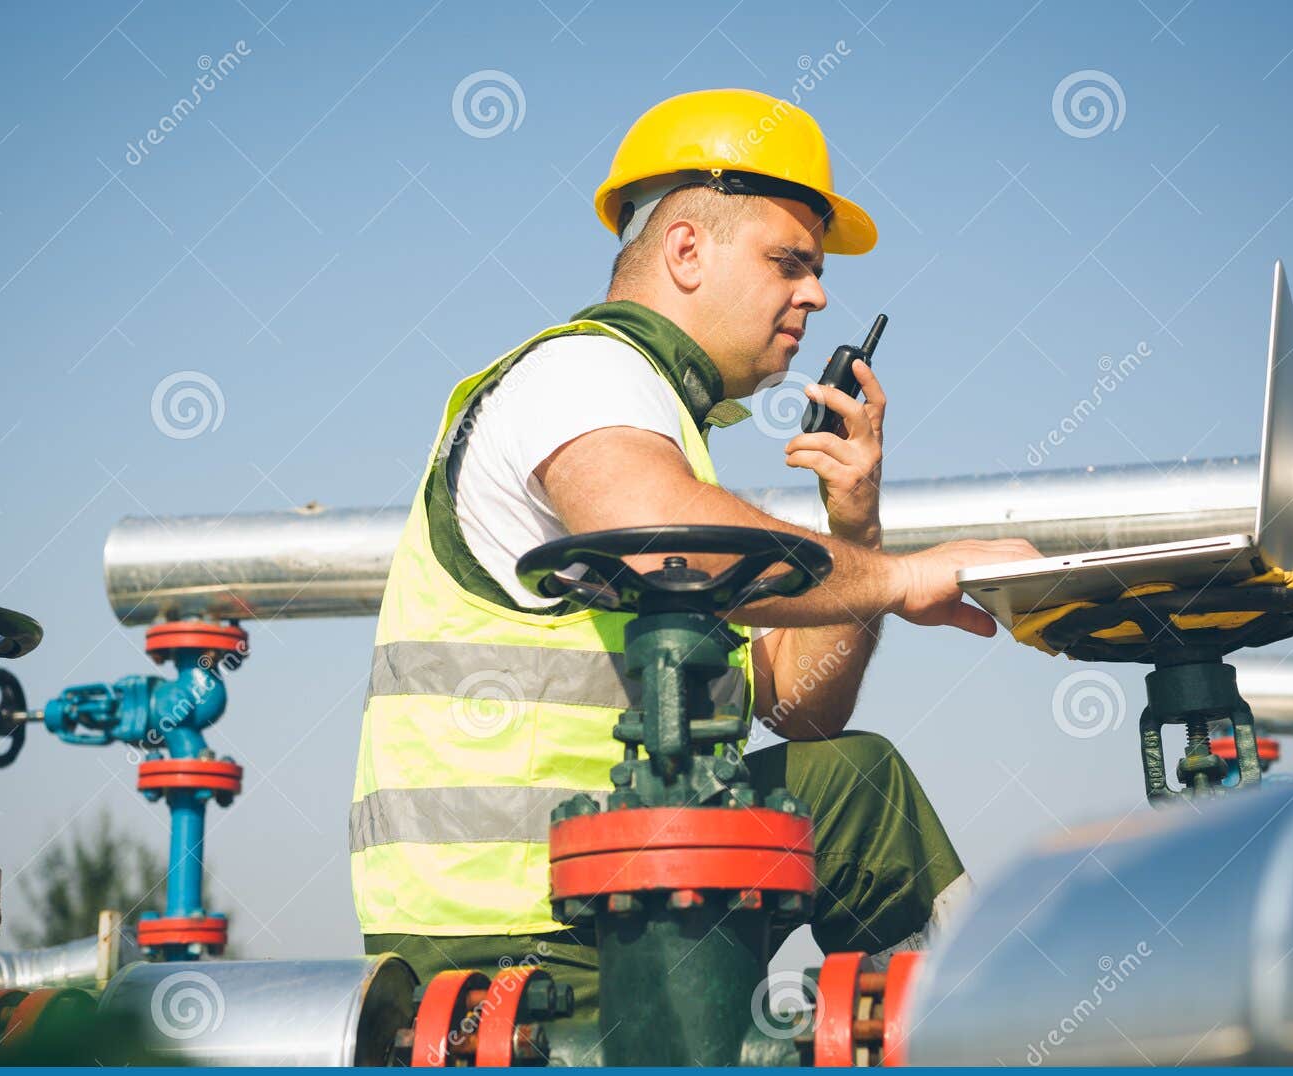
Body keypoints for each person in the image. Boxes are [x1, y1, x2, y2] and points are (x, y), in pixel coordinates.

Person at [352, 89, 1040, 1011]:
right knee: (862, 795)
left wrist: (855, 534)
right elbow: (664, 535)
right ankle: (980, 1059)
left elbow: (801, 707)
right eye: (788, 261)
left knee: (853, 780)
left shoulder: (657, 422)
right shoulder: (579, 373)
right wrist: (905, 577)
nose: (819, 293)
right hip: (521, 939)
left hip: (598, 889)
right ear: (685, 249)